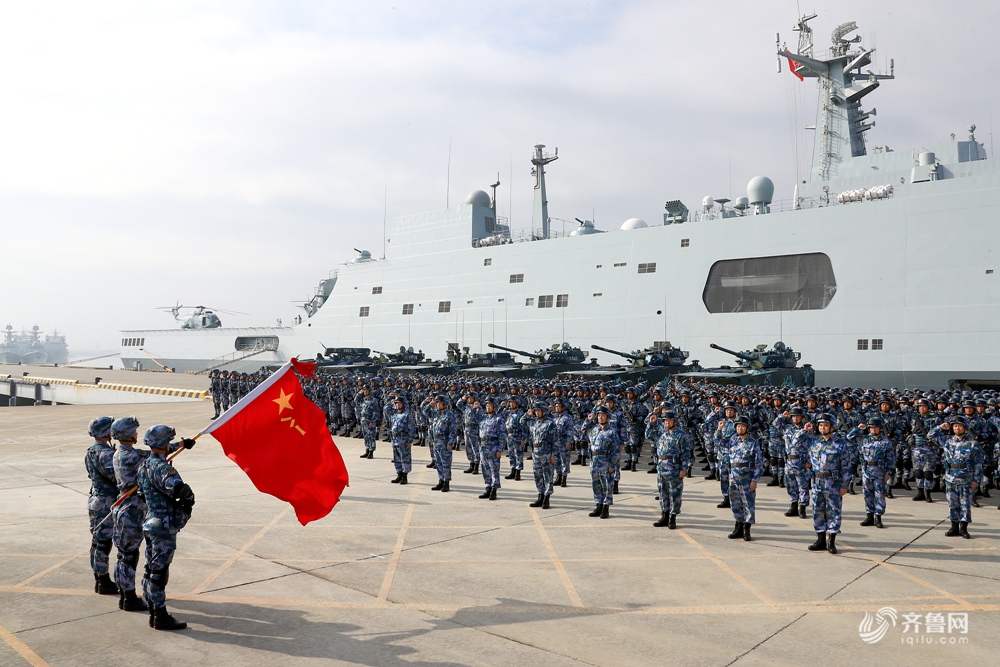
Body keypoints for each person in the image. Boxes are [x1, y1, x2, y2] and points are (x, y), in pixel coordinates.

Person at [138, 425, 196, 630]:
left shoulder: (144, 465)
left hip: (150, 521)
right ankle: (160, 615)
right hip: (164, 526)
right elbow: (180, 489)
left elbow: (141, 495)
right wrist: (188, 500)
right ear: (163, 443)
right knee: (159, 572)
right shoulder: (164, 468)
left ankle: (154, 611)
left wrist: (182, 444)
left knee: (150, 569)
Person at [800, 413, 853, 554]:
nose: (823, 427)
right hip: (817, 483)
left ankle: (832, 541)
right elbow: (797, 444)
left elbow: (846, 466)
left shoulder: (840, 444)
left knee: (833, 512)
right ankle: (820, 539)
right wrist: (805, 431)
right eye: (821, 425)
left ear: (832, 427)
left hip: (833, 483)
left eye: (826, 425)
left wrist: (844, 485)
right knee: (818, 511)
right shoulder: (815, 443)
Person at [85, 416, 119, 596]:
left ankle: (99, 578)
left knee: (98, 541)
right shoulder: (105, 454)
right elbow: (116, 476)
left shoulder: (92, 450)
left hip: (96, 499)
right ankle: (103, 580)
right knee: (103, 543)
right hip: (106, 502)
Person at [647, 410, 693, 529]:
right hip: (662, 469)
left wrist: (684, 468)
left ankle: (672, 517)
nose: (667, 422)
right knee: (663, 494)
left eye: (669, 420)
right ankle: (664, 515)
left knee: (675, 495)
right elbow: (648, 435)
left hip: (674, 469)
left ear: (675, 421)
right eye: (665, 421)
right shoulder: (662, 434)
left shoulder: (682, 435)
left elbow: (687, 454)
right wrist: (651, 424)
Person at [847, 417, 895, 528]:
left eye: (876, 427)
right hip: (866, 471)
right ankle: (869, 516)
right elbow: (849, 437)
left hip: (879, 472)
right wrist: (858, 429)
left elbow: (891, 458)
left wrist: (889, 473)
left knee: (879, 495)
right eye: (871, 427)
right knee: (867, 494)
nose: (873, 429)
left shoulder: (885, 442)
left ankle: (878, 517)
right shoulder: (864, 439)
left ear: (880, 428)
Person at [941, 415, 985, 538]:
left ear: (965, 428)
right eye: (955, 426)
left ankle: (963, 528)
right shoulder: (948, 442)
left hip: (966, 478)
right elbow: (930, 436)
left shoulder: (972, 444)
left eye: (959, 426)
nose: (957, 428)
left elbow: (978, 464)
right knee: (952, 503)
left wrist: (976, 480)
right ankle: (954, 527)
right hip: (951, 478)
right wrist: (941, 427)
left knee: (965, 504)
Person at [725, 416, 763, 541]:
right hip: (734, 477)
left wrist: (755, 480)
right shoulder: (733, 440)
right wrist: (719, 430)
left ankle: (747, 529)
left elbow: (758, 463)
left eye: (742, 426)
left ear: (747, 428)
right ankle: (738, 526)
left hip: (747, 478)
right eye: (738, 426)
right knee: (735, 503)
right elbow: (720, 444)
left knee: (748, 504)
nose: (740, 428)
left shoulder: (753, 443)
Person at [587, 406, 619, 519]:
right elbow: (583, 430)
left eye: (603, 415)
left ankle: (606, 508)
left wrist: (612, 465)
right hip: (594, 462)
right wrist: (588, 420)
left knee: (607, 486)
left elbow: (616, 451)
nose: (600, 417)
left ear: (608, 417)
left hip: (605, 462)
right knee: (596, 485)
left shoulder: (611, 432)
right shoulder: (595, 429)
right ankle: (598, 505)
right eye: (599, 415)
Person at [528, 401, 557, 509]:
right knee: (537, 475)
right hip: (536, 452)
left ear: (544, 411)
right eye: (535, 411)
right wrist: (528, 414)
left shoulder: (550, 423)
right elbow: (522, 423)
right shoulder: (535, 422)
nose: (536, 413)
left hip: (546, 453)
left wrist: (553, 454)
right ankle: (540, 495)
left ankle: (547, 497)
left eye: (538, 411)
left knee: (548, 476)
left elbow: (555, 440)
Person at [478, 397, 506, 499]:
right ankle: (488, 488)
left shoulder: (498, 420)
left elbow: (502, 436)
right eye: (487, 406)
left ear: (494, 407)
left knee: (494, 470)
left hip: (493, 448)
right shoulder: (484, 419)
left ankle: (494, 490)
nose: (488, 408)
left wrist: (499, 449)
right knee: (485, 469)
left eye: (490, 406)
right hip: (483, 447)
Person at [428, 394, 457, 492]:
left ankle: (446, 482)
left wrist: (450, 443)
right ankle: (441, 480)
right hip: (436, 442)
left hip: (444, 442)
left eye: (439, 403)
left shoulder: (449, 415)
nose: (438, 405)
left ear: (445, 404)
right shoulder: (437, 414)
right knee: (438, 463)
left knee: (446, 464)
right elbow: (424, 411)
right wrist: (429, 404)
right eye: (437, 403)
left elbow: (453, 431)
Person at [388, 394, 416, 484]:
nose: (397, 405)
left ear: (403, 404)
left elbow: (412, 429)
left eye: (399, 403)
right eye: (396, 404)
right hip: (395, 439)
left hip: (403, 440)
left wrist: (409, 440)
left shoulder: (407, 415)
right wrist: (391, 403)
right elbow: (386, 411)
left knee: (405, 458)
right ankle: (399, 474)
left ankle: (405, 476)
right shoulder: (395, 414)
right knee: (397, 459)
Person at [359, 386, 380, 459]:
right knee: (366, 436)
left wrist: (372, 421)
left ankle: (371, 451)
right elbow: (356, 401)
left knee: (371, 436)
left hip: (370, 420)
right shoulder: (364, 399)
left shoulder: (374, 400)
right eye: (364, 390)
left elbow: (375, 411)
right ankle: (367, 450)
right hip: (364, 420)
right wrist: (359, 394)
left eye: (366, 390)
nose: (364, 391)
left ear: (370, 391)